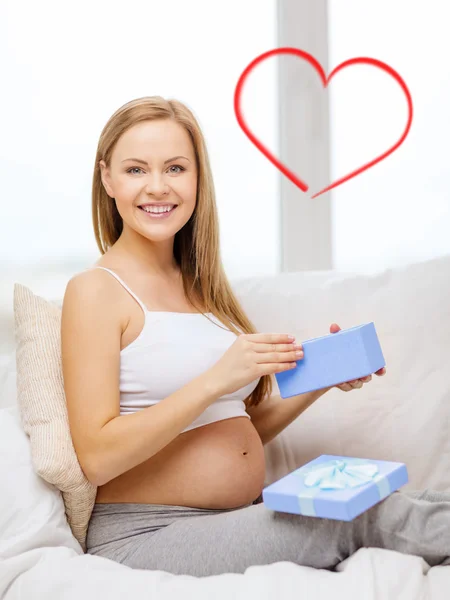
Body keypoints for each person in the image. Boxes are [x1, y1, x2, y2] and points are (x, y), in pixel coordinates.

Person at [61, 95, 450, 578]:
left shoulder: (202, 289)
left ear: (198, 178)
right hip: (146, 534)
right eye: (137, 170)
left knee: (402, 498)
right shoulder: (96, 291)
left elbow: (236, 427)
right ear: (107, 179)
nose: (157, 187)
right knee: (360, 515)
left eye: (176, 168)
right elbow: (96, 458)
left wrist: (324, 376)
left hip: (227, 519)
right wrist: (216, 378)